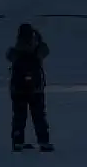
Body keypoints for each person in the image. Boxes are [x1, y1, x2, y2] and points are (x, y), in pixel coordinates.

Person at [6, 23, 53, 152]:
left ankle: (17, 141)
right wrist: (39, 37)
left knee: (19, 116)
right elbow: (46, 50)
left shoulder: (15, 50)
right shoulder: (37, 49)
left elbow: (8, 56)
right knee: (38, 115)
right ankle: (43, 141)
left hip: (18, 88)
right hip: (36, 88)